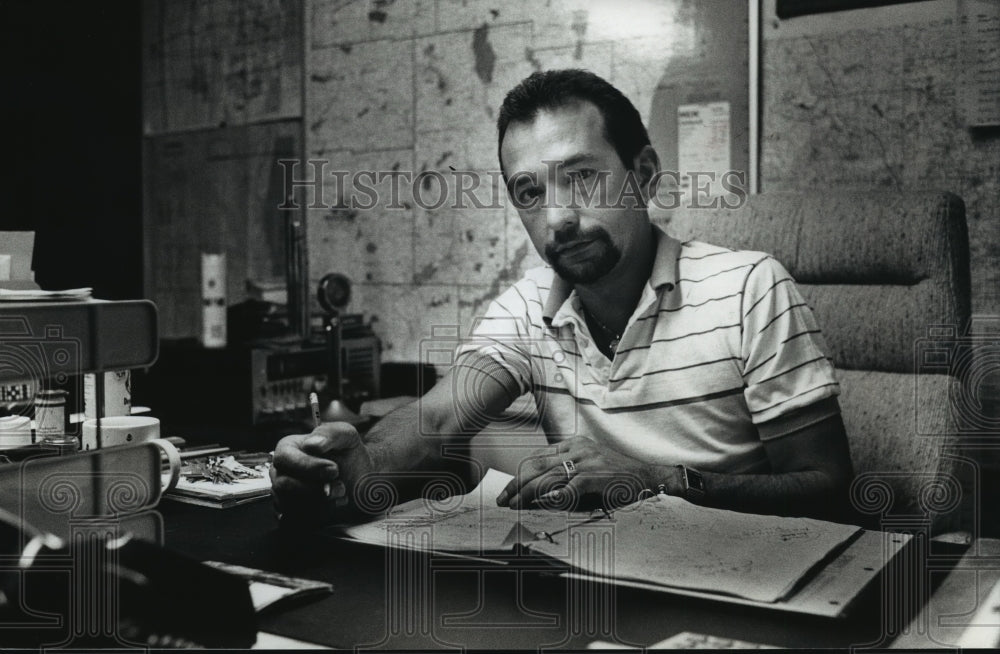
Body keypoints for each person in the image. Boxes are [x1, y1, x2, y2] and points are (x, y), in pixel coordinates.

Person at [271, 69, 854, 525]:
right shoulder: (526, 309)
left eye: (582, 177)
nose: (558, 217)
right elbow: (440, 415)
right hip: (595, 588)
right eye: (529, 191)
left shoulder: (752, 289)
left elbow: (827, 489)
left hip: (748, 592)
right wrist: (358, 467)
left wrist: (659, 480)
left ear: (645, 173)